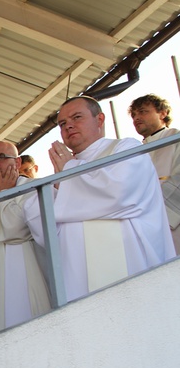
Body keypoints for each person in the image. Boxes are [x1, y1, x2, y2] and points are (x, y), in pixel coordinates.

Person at [23, 96, 174, 302]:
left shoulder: (125, 148)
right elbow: (43, 227)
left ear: (100, 119)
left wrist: (69, 176)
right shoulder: (64, 170)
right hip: (78, 272)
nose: (69, 126)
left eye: (77, 117)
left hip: (126, 263)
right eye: (62, 124)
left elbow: (119, 194)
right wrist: (59, 184)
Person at [0, 141, 51, 332]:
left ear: (16, 162)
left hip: (32, 272)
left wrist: (2, 196)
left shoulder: (36, 187)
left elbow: (14, 229)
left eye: (0, 158)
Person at [129, 93, 180, 252]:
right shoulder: (133, 153)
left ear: (162, 113)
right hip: (144, 229)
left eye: (143, 111)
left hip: (172, 222)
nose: (136, 117)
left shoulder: (175, 138)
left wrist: (155, 214)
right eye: (134, 114)